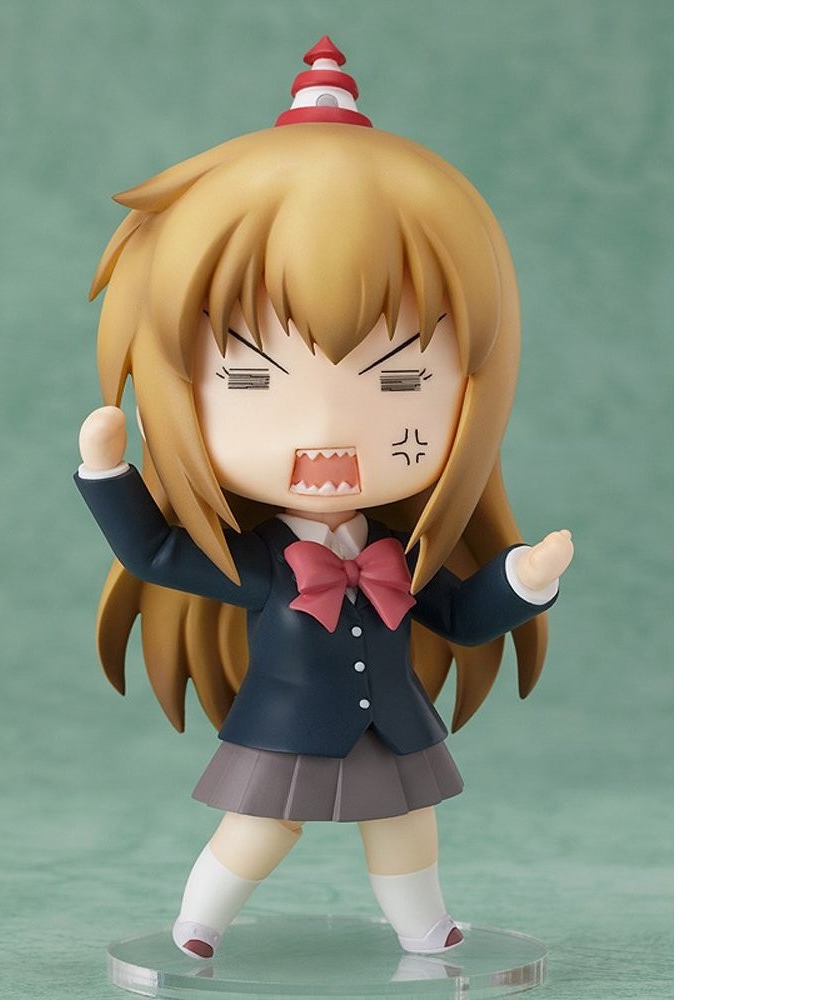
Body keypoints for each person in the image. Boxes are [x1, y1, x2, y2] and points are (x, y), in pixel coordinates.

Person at [75, 37, 574, 960]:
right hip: (287, 726)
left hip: (394, 723)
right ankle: (198, 924)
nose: (328, 432)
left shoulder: (403, 553)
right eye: (252, 380)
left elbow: (460, 617)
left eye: (400, 381)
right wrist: (109, 474)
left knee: (409, 827)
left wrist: (526, 579)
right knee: (260, 828)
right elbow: (155, 554)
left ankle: (425, 927)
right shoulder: (264, 563)